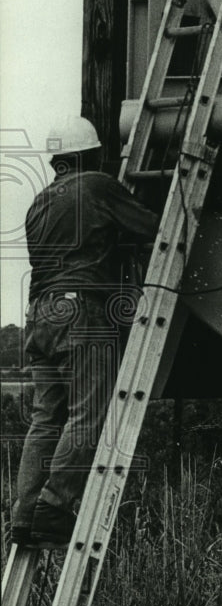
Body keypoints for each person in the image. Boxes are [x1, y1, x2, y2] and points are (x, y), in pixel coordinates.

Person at [12, 116, 159, 547]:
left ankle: (24, 515)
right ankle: (55, 510)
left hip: (40, 315)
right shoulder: (96, 185)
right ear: (89, 156)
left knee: (45, 419)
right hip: (80, 313)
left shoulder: (38, 202)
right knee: (87, 417)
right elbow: (154, 228)